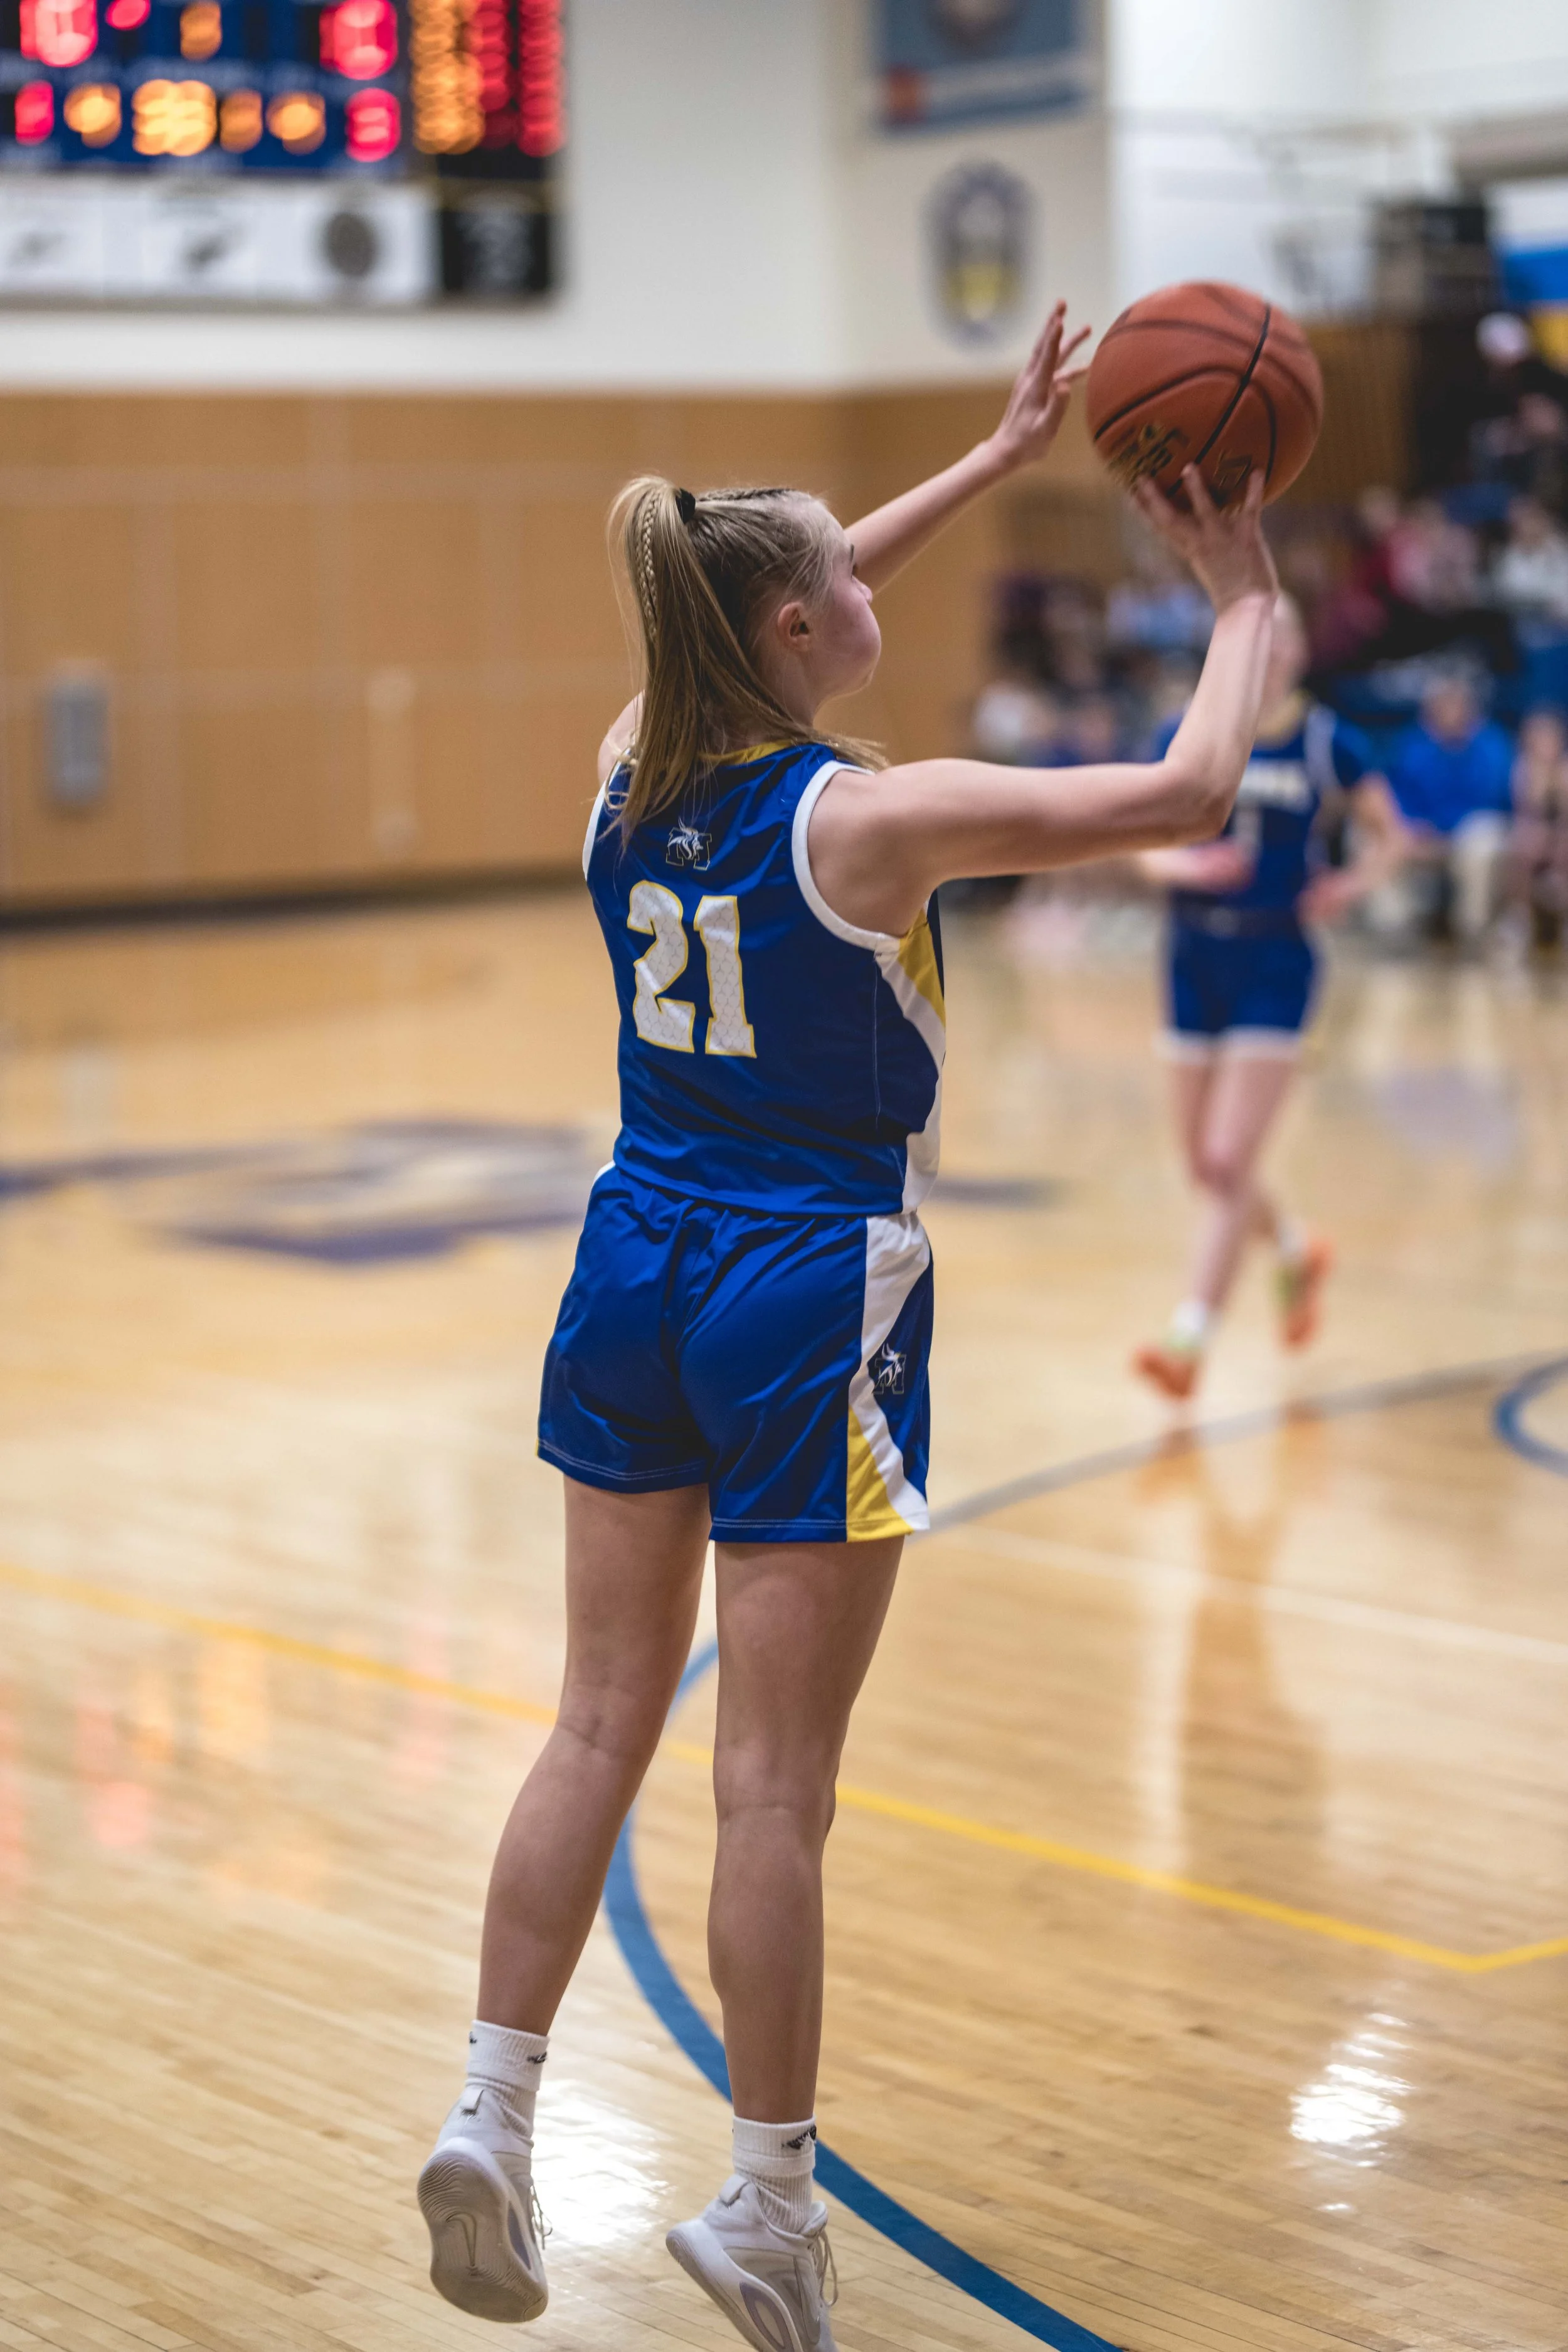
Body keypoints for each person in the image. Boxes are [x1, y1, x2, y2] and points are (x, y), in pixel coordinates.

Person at [412, 300, 1280, 2352]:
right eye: (845, 572)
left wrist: (990, 457)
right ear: (797, 627)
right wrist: (1244, 592)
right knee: (770, 1789)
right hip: (808, 1288)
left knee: (594, 1723)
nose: (877, 583)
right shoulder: (870, 825)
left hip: (631, 1259)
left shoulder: (626, 769)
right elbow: (1190, 789)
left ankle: (489, 2109)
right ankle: (770, 2201)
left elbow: (745, 611)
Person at [1132, 594, 1406, 1402]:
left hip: (1276, 958)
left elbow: (1393, 836)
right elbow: (1141, 842)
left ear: (1298, 653)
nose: (1270, 649)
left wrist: (1348, 887)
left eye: (1283, 637)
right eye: (1258, 636)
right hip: (1191, 954)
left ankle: (1188, 1338)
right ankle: (1292, 1248)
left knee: (1226, 1161)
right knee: (1200, 1163)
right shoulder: (1190, 730)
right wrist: (1184, 867)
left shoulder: (1327, 742)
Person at [1384, 674, 1515, 945]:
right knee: (1378, 837)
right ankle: (1395, 931)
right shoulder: (1411, 744)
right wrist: (1412, 826)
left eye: (1456, 704)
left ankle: (1472, 930)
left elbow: (1491, 803)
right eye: (1441, 704)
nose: (1449, 711)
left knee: (1481, 839)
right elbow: (1395, 795)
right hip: (1422, 835)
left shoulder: (1492, 745)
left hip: (1469, 836)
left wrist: (1445, 835)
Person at [1508, 705, 1568, 946]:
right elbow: (1532, 805)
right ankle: (1520, 916)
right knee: (1527, 844)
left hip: (1562, 834)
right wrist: (1543, 774)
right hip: (1532, 834)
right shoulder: (1523, 768)